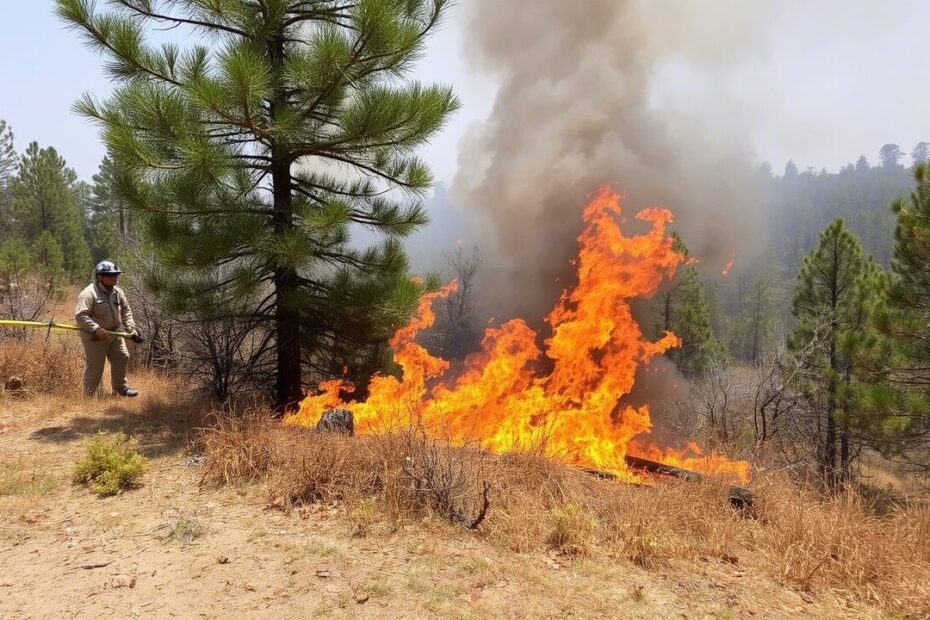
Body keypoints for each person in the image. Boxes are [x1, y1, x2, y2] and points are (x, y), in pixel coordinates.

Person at [74, 260, 143, 397]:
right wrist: (96, 329)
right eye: (110, 276)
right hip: (94, 337)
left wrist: (131, 328)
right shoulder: (88, 293)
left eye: (116, 275)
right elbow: (80, 315)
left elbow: (126, 311)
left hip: (115, 333)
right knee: (95, 367)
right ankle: (88, 396)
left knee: (122, 356)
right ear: (100, 276)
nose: (114, 278)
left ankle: (121, 388)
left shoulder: (118, 292)